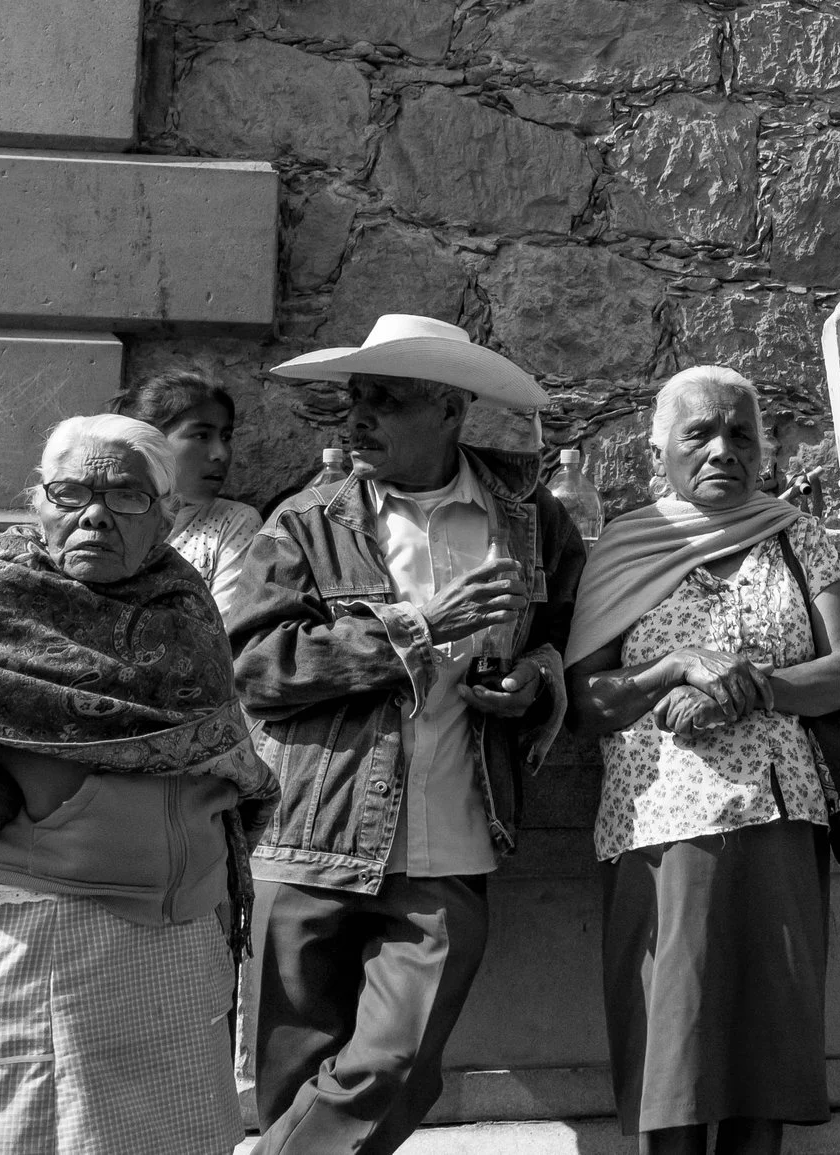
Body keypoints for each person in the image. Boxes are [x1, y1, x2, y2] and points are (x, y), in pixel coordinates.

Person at [232, 314, 583, 1155]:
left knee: (396, 1063)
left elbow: (570, 633)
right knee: (294, 1076)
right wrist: (412, 630)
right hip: (312, 829)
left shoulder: (530, 518)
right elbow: (254, 668)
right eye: (356, 397)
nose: (358, 418)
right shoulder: (306, 520)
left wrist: (539, 675)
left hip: (451, 837)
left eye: (385, 400)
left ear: (451, 409)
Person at [0, 414, 275, 1154]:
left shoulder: (181, 605)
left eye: (126, 495)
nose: (94, 512)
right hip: (26, 931)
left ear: (166, 513)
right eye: (70, 492)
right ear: (37, 502)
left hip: (173, 939)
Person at [565, 367, 840, 1155]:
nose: (721, 449)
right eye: (699, 432)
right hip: (664, 827)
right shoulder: (625, 548)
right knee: (677, 1062)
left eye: (741, 433)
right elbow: (587, 700)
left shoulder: (795, 535)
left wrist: (751, 687)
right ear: (656, 447)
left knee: (762, 1067)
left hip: (781, 819)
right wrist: (674, 667)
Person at [112, 367, 264, 615]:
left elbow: (222, 631)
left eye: (226, 436)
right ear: (149, 442)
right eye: (202, 435)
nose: (221, 454)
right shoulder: (105, 515)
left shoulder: (232, 522)